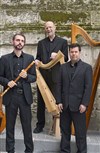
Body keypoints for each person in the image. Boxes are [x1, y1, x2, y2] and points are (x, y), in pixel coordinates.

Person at [0, 33, 36, 153]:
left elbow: (34, 78)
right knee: (10, 126)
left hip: (25, 97)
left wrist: (26, 76)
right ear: (13, 42)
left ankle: (29, 151)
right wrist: (7, 82)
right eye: (17, 40)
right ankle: (10, 151)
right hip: (11, 96)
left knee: (27, 126)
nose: (20, 42)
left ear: (24, 43)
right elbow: (0, 76)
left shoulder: (30, 59)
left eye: (22, 41)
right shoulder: (4, 59)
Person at [33, 21, 68, 133]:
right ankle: (40, 125)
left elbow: (66, 59)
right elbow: (38, 58)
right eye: (46, 28)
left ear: (55, 28)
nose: (48, 29)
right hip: (43, 76)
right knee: (41, 102)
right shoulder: (41, 43)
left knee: (57, 101)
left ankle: (57, 126)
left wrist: (58, 56)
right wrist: (37, 61)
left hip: (56, 77)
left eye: (50, 27)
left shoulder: (63, 42)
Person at [58, 43, 92, 153]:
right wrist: (58, 101)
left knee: (80, 133)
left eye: (76, 52)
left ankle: (82, 151)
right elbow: (59, 85)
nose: (73, 54)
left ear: (79, 52)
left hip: (79, 106)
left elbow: (88, 88)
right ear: (69, 53)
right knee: (65, 132)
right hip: (65, 105)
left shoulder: (87, 68)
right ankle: (64, 151)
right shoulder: (63, 67)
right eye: (71, 52)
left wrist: (84, 104)